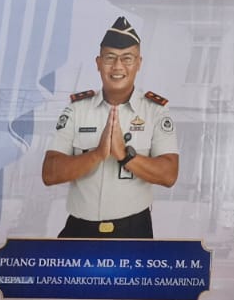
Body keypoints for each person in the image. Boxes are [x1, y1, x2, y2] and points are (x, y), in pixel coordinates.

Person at [42, 16, 179, 238]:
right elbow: (49, 173)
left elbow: (169, 174)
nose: (117, 66)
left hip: (134, 231)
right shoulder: (77, 109)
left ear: (139, 63)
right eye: (110, 58)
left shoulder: (155, 111)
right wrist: (96, 154)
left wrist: (124, 155)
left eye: (127, 58)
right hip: (79, 230)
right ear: (98, 63)